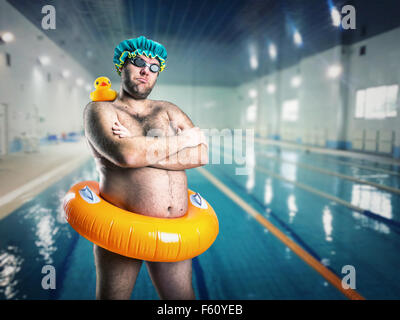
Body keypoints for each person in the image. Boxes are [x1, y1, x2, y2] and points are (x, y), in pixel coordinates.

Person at [83, 36, 208, 300]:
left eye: (153, 67)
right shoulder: (100, 110)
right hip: (123, 229)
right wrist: (182, 141)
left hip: (173, 230)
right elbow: (126, 155)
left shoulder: (168, 109)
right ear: (121, 66)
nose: (145, 71)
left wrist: (142, 149)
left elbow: (201, 153)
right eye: (139, 62)